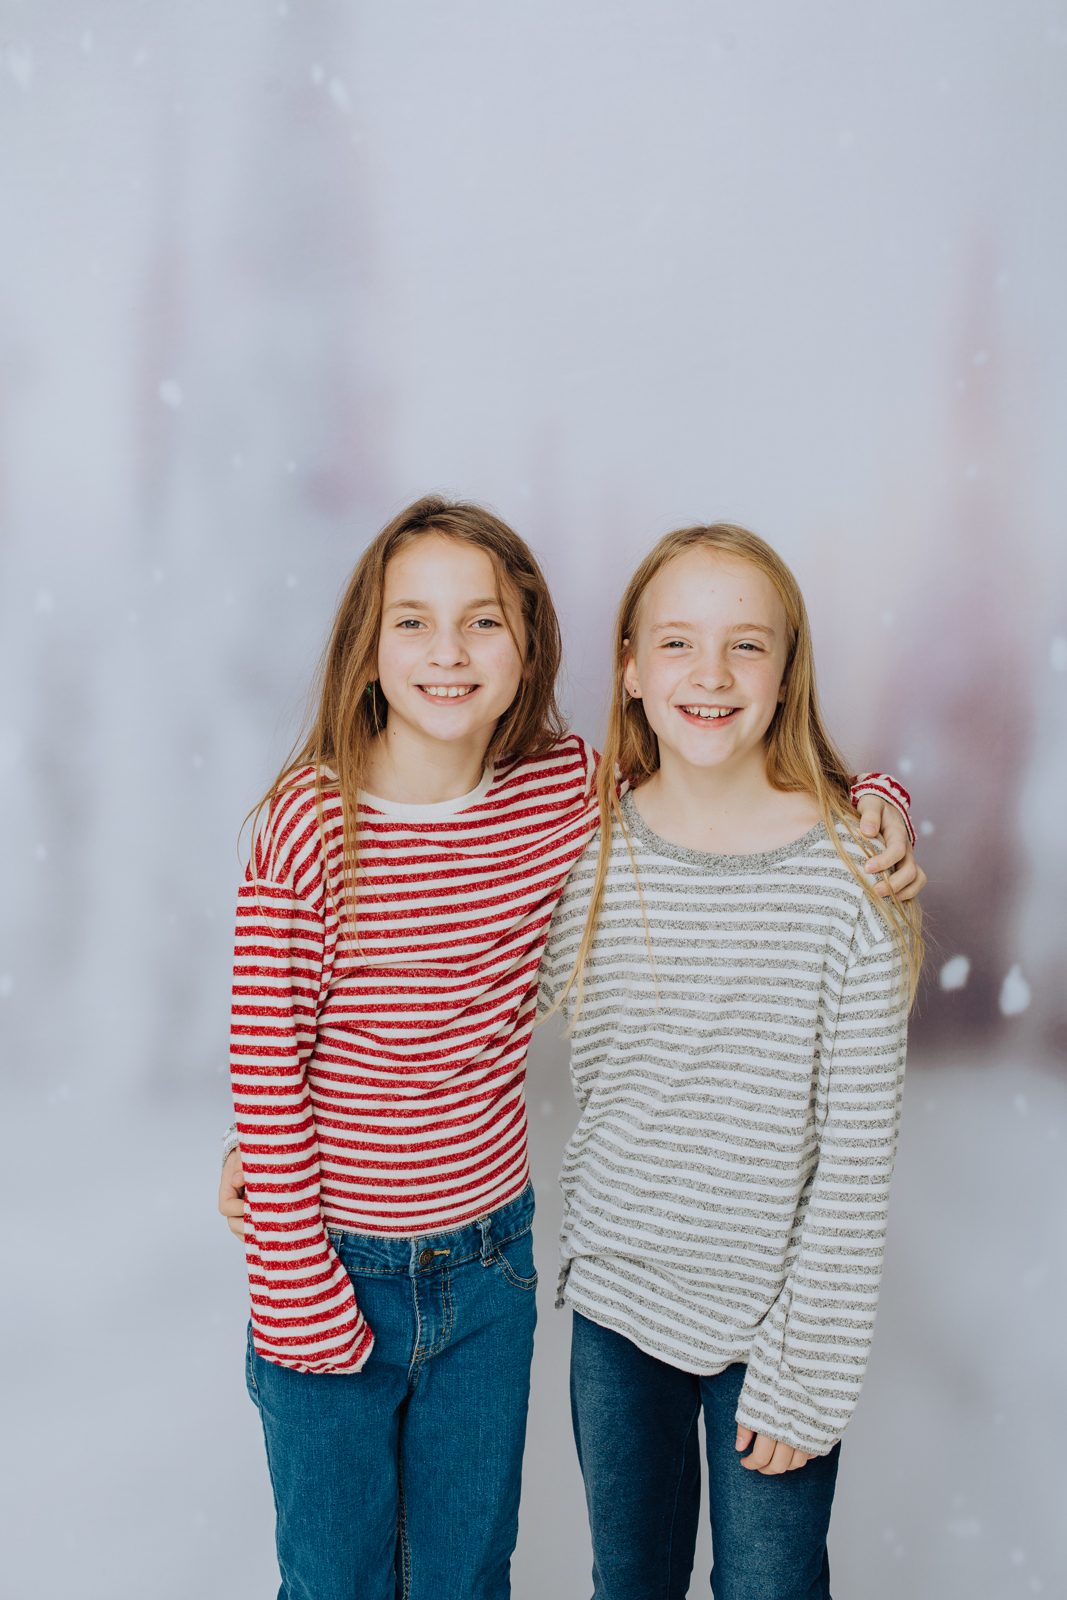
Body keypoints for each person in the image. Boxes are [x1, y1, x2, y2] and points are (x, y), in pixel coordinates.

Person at [218, 496, 921, 1600]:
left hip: (492, 1261)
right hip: (360, 1261)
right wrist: (275, 1203)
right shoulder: (323, 821)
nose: (447, 653)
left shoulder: (562, 794)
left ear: (532, 644)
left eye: (482, 622)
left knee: (469, 1571)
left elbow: (719, 779)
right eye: (411, 622)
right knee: (339, 1576)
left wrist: (873, 797)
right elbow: (277, 1046)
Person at [536, 522, 924, 1600]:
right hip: (618, 1310)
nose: (708, 675)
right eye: (675, 643)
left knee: (769, 1585)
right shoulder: (584, 851)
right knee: (632, 1580)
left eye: (745, 645)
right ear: (626, 667)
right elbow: (452, 1007)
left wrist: (807, 1375)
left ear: (787, 670)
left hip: (776, 1326)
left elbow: (854, 1162)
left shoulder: (848, 879)